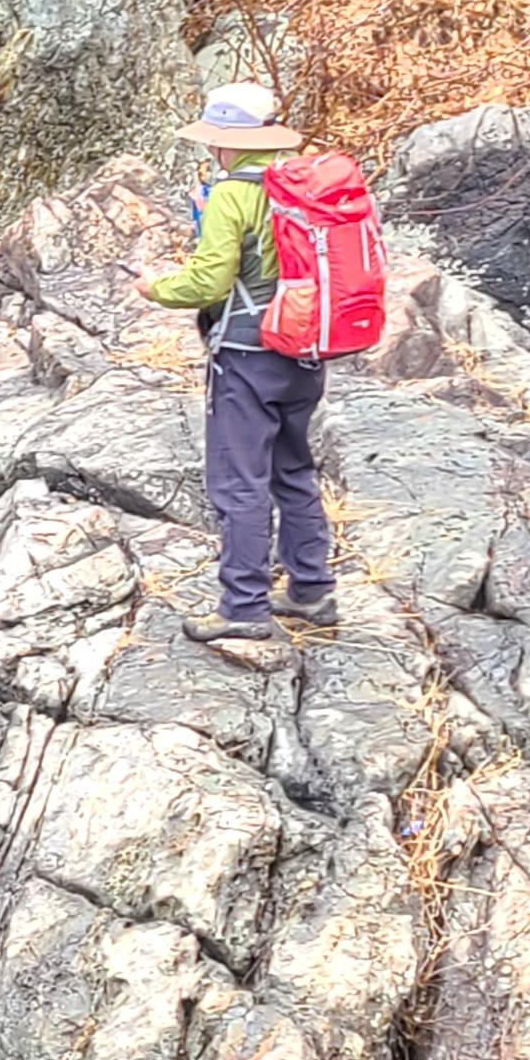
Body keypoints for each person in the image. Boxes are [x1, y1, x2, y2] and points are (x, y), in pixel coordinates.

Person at [147, 79, 339, 673]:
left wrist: (156, 287)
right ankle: (311, 589)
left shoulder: (232, 195)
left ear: (228, 142)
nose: (212, 149)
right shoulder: (300, 185)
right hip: (305, 351)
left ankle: (245, 605)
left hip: (247, 354)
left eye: (215, 140)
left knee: (238, 483)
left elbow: (209, 282)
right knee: (293, 469)